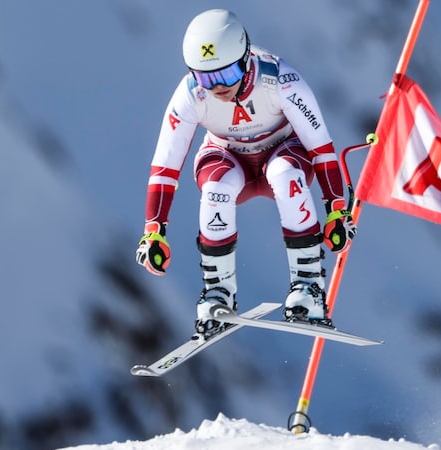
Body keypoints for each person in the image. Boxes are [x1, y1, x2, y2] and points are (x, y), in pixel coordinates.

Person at [135, 9, 356, 339]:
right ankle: (217, 293)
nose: (217, 87)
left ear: (245, 58)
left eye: (225, 74)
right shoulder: (191, 94)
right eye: (205, 78)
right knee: (216, 189)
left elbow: (321, 148)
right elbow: (165, 165)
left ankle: (308, 287)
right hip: (227, 156)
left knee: (285, 176)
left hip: (282, 150)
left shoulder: (280, 80)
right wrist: (154, 229)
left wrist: (337, 208)